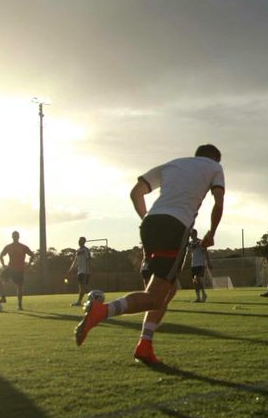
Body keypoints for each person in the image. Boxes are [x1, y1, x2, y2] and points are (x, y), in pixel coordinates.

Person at [75, 144, 224, 364]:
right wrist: (211, 233)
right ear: (216, 159)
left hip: (150, 223)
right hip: (176, 226)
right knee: (155, 297)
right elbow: (218, 201)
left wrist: (146, 219)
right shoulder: (214, 167)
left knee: (169, 289)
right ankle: (102, 311)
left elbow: (136, 193)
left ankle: (145, 344)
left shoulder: (172, 164)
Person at [0, 231, 36, 310]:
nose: (15, 237)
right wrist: (3, 265)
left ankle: (20, 305)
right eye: (14, 236)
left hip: (20, 270)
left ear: (18, 237)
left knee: (19, 287)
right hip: (10, 269)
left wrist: (29, 265)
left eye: (16, 236)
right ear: (12, 237)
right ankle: (3, 297)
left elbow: (32, 255)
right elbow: (1, 255)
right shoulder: (8, 247)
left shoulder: (23, 247)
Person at [187, 228, 211, 302]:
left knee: (198, 278)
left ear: (195, 234)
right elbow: (189, 253)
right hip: (193, 265)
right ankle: (198, 297)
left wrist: (209, 262)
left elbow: (206, 253)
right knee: (195, 281)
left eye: (192, 234)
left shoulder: (201, 242)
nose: (190, 236)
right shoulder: (190, 244)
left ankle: (204, 294)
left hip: (200, 264)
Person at [66, 236, 92, 306]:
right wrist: (70, 269)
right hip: (80, 271)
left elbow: (89, 259)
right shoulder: (77, 251)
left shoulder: (86, 250)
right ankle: (91, 298)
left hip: (85, 271)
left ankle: (80, 301)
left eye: (81, 241)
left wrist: (90, 270)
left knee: (82, 286)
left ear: (84, 242)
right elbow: (75, 261)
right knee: (83, 287)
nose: (79, 242)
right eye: (79, 241)